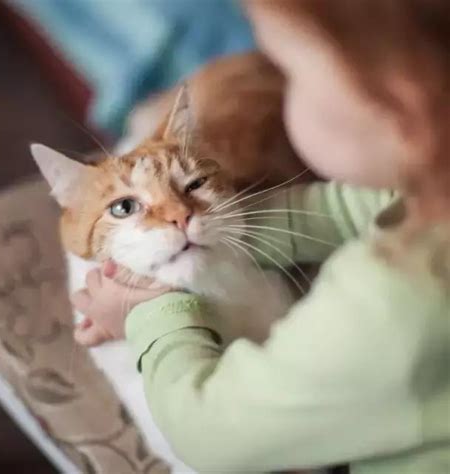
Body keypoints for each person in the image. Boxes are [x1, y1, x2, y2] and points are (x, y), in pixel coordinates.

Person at [72, 1, 450, 473]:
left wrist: (150, 313)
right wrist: (235, 224)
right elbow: (365, 207)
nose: (280, 92)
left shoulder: (390, 305)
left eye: (291, 74)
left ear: (400, 97)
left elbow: (208, 434)